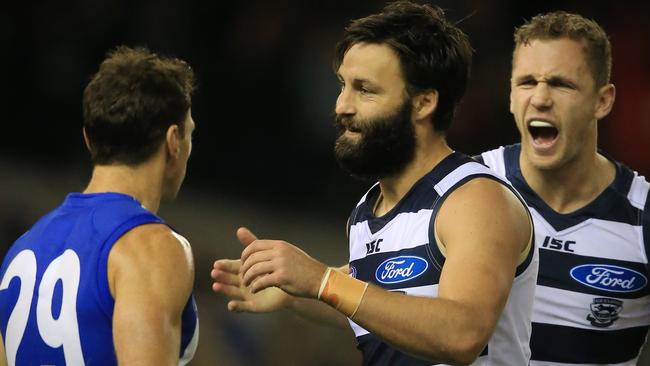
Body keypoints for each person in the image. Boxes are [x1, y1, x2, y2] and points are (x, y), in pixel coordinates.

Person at [212, 2, 538, 365]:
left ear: (424, 102)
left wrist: (322, 282)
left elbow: (461, 334)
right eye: (343, 86)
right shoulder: (367, 212)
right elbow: (384, 309)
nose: (342, 106)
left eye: (364, 90)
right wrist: (297, 294)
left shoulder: (474, 199)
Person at [0, 46, 198, 365]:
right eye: (190, 135)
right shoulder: (152, 248)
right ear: (174, 141)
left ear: (88, 139)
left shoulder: (21, 251)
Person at [476, 11, 650, 365]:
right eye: (526, 82)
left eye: (561, 84)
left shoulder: (643, 216)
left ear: (602, 101)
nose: (540, 98)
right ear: (510, 96)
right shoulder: (464, 187)